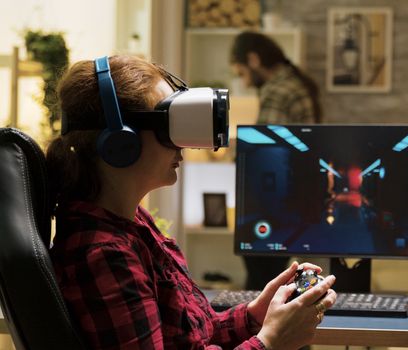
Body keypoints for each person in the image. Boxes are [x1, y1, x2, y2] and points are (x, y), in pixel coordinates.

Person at [46, 54, 336, 349]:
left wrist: (254, 316)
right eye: (168, 126)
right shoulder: (104, 255)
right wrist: (271, 341)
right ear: (122, 143)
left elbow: (191, 339)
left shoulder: (133, 223)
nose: (181, 143)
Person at [230, 31, 323, 291]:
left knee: (261, 279)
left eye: (242, 73)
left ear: (253, 59)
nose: (245, 83)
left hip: (277, 198)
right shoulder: (294, 83)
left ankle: (258, 327)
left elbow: (262, 150)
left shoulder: (278, 91)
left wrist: (235, 150)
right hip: (297, 195)